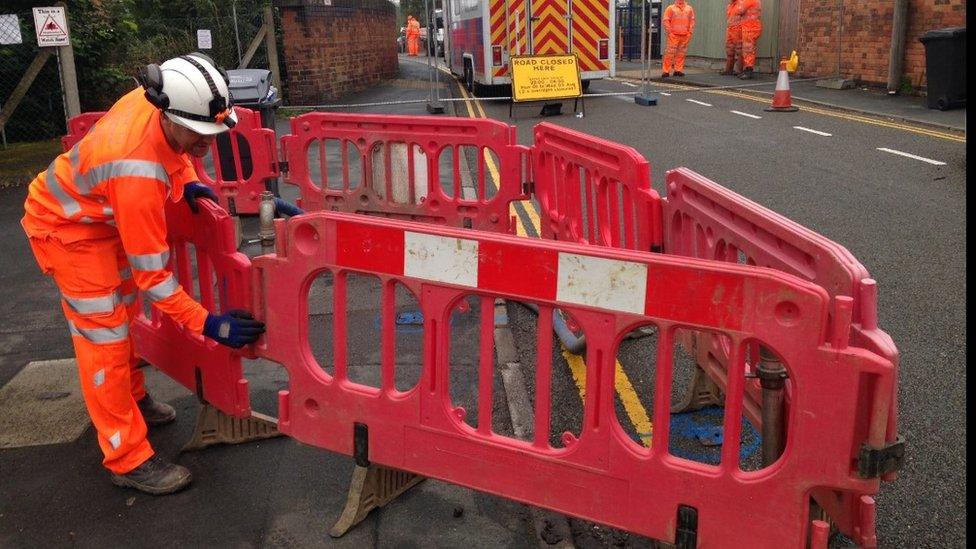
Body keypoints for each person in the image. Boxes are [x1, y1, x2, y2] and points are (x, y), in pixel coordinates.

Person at [21, 52, 267, 496]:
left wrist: (189, 176)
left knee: (126, 312)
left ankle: (131, 398)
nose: (206, 144)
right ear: (170, 114)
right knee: (105, 341)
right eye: (197, 135)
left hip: (97, 216)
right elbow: (156, 279)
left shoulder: (158, 99)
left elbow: (171, 147)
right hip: (68, 231)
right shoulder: (137, 173)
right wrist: (210, 324)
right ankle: (127, 457)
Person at [661, 0, 695, 78]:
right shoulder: (670, 8)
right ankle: (666, 71)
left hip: (685, 35)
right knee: (669, 53)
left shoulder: (689, 9)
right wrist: (670, 32)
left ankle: (678, 70)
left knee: (681, 53)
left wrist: (690, 32)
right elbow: (666, 20)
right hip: (674, 35)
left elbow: (692, 21)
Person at [738, 0, 762, 79]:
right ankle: (747, 69)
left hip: (750, 27)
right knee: (749, 49)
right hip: (752, 26)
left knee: (748, 49)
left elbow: (740, 10)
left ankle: (749, 70)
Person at [721, 0, 743, 76]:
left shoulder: (741, 4)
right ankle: (728, 69)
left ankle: (738, 70)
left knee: (739, 50)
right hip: (730, 29)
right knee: (729, 50)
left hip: (738, 29)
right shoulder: (730, 5)